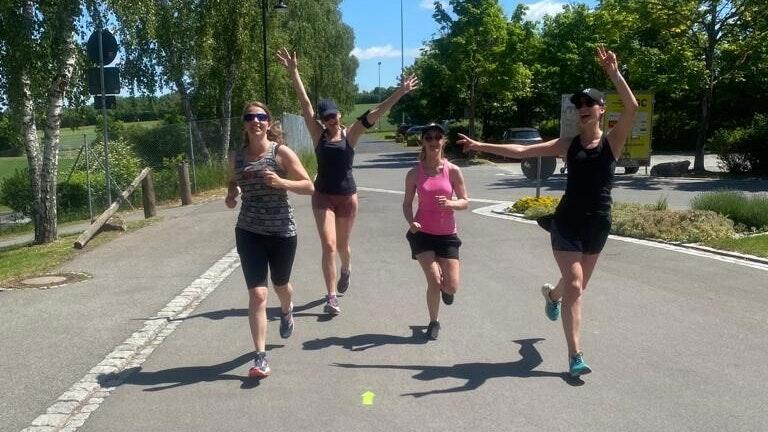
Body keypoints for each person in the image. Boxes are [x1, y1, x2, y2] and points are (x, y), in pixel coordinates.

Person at [458, 46, 638, 377]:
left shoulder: (613, 142)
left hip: (598, 224)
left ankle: (551, 297)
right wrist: (481, 146)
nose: (582, 108)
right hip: (566, 222)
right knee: (575, 282)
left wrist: (613, 73)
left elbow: (632, 107)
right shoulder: (566, 144)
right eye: (578, 105)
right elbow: (523, 150)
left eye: (589, 104)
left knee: (574, 289)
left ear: (601, 110)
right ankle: (575, 356)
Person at [277, 48, 418, 316]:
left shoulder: (350, 134)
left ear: (340, 114)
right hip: (322, 197)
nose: (333, 119)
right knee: (328, 245)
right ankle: (331, 296)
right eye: (327, 117)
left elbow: (376, 112)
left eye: (335, 115)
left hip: (347, 197)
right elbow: (305, 104)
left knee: (342, 247)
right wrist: (294, 72)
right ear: (322, 120)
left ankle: (346, 269)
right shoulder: (317, 134)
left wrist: (400, 92)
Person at [226, 101, 315, 378]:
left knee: (281, 285)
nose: (256, 121)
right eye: (250, 117)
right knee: (258, 294)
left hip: (281, 232)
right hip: (249, 231)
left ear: (268, 122)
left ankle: (288, 309)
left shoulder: (281, 153)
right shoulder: (236, 157)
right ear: (244, 123)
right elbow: (232, 180)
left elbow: (309, 186)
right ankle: (260, 357)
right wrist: (231, 194)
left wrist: (281, 182)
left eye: (261, 117)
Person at [403, 123, 469, 340]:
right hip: (422, 234)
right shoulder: (414, 173)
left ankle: (446, 290)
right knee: (433, 281)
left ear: (443, 141)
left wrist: (451, 204)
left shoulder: (453, 171)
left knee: (451, 286)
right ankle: (433, 322)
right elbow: (406, 204)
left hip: (447, 235)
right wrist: (411, 221)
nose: (433, 141)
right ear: (423, 141)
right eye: (429, 138)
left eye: (437, 137)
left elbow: (465, 202)